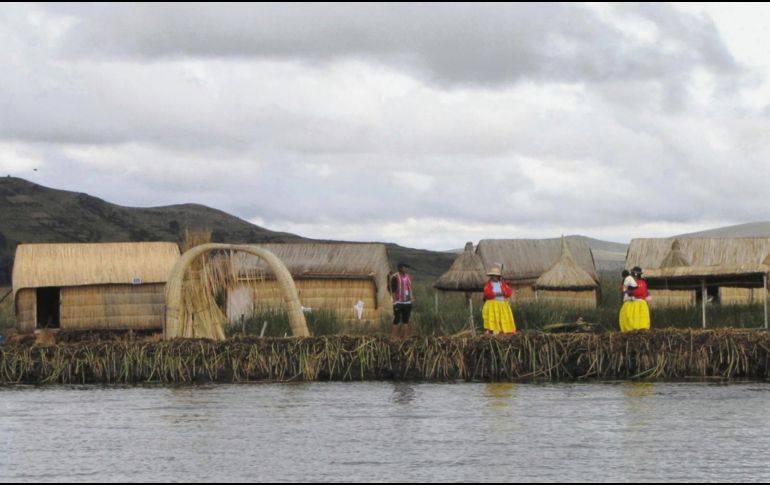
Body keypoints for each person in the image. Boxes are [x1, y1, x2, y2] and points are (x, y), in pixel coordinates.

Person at [482, 265, 516, 335]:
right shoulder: (488, 284)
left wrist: (504, 293)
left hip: (502, 304)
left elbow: (509, 292)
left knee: (503, 317)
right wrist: (495, 294)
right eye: (493, 275)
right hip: (492, 304)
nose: (494, 277)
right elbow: (486, 293)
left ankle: (503, 330)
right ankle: (490, 330)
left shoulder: (502, 284)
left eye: (496, 276)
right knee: (492, 317)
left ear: (498, 277)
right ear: (491, 276)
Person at [619, 266, 650, 332]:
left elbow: (643, 293)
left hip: (638, 305)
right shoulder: (632, 282)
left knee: (637, 323)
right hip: (632, 305)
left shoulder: (642, 283)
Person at [389, 262, 413, 339]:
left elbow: (409, 288)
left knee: (406, 319)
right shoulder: (395, 277)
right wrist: (395, 302)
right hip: (398, 302)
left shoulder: (408, 277)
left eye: (406, 267)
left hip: (407, 301)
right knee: (396, 319)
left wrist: (411, 298)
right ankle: (394, 337)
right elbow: (392, 291)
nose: (406, 269)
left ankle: (405, 336)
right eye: (404, 267)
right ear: (400, 268)